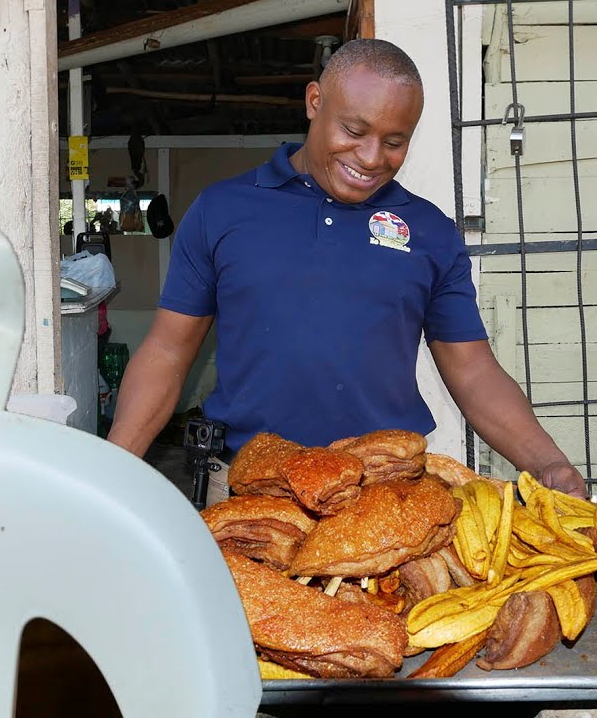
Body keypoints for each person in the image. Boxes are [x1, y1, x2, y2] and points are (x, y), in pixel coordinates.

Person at [107, 39, 587, 505]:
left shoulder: (430, 233)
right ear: (314, 101)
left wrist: (547, 463)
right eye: (354, 131)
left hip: (387, 493)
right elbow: (168, 351)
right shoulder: (223, 210)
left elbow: (474, 371)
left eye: (395, 141)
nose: (372, 157)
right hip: (252, 489)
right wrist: (110, 472)